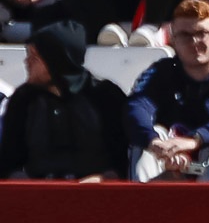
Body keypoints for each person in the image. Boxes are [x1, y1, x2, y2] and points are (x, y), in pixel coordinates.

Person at [127, 0, 209, 182]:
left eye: (202, 33)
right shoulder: (161, 72)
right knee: (144, 144)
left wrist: (195, 140)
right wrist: (156, 143)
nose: (194, 41)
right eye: (184, 35)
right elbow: (136, 106)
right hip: (172, 161)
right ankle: (141, 206)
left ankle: (206, 209)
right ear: (173, 38)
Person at [0, 20, 128, 180]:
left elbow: (121, 158)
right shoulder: (23, 99)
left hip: (96, 191)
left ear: (57, 61)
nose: (27, 63)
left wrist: (102, 179)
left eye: (34, 58)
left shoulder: (104, 95)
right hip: (38, 191)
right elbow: (10, 162)